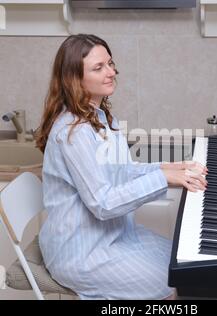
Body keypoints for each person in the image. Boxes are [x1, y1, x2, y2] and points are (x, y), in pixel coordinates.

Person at [35, 34, 207, 300]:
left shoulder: (98, 117)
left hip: (116, 235)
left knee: (183, 264)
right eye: (98, 67)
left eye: (111, 64)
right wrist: (163, 177)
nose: (111, 72)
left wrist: (170, 168)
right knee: (168, 283)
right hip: (81, 252)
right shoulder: (74, 132)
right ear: (74, 78)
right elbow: (103, 203)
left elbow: (121, 171)